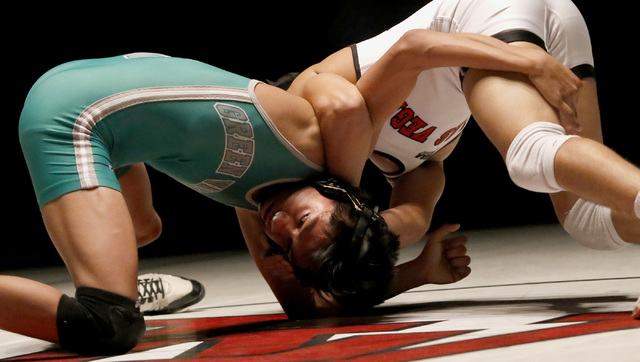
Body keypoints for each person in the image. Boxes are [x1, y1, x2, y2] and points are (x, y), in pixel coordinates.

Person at [9, 35, 574, 356]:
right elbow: (377, 80)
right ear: (345, 200)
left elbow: (303, 306)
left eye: (286, 243)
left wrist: (416, 274)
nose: (279, 225)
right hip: (80, 115)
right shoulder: (330, 150)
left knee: (142, 231)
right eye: (303, 223)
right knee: (109, 326)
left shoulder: (269, 212)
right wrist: (527, 58)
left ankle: (125, 276)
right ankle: (118, 290)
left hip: (112, 106)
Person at [282, 0, 640, 316]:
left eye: (301, 223)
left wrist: (526, 59)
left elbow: (413, 48)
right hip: (534, 24)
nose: (283, 224)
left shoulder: (321, 107)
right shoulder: (411, 168)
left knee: (530, 155)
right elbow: (413, 221)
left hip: (484, 23)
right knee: (586, 218)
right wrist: (405, 269)